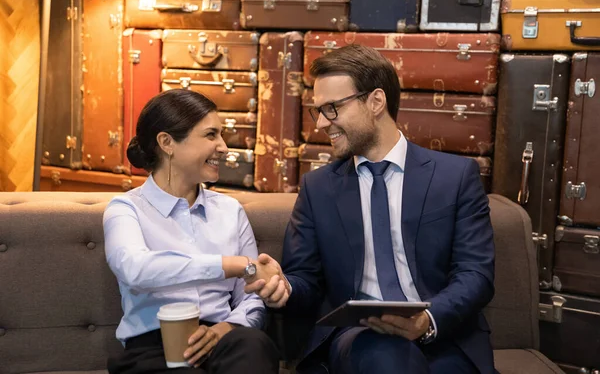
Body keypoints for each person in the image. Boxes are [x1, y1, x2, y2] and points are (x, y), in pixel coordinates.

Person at [245, 44, 496, 374]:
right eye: (318, 110)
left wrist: (427, 320)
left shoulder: (455, 176)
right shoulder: (317, 188)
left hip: (442, 332)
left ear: (376, 101)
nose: (321, 122)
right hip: (359, 338)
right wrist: (285, 287)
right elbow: (306, 279)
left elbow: (476, 273)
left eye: (332, 108)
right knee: (385, 355)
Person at [103, 89, 280, 374]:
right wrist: (231, 265)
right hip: (151, 351)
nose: (223, 147)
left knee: (253, 344)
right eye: (211, 135)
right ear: (167, 142)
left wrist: (227, 328)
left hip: (226, 345)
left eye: (221, 136)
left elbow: (252, 294)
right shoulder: (126, 209)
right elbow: (134, 268)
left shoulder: (230, 210)